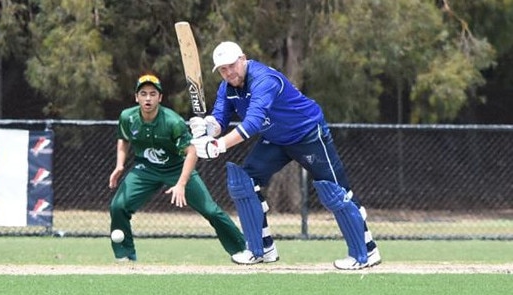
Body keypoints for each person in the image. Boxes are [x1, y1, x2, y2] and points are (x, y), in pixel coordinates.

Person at [189, 41, 382, 270]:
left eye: (232, 65)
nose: (229, 72)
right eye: (223, 69)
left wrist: (218, 145)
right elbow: (220, 118)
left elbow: (252, 124)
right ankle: (261, 249)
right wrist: (207, 127)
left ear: (243, 59)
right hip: (276, 139)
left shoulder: (263, 80)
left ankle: (366, 253)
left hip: (307, 133)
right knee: (243, 182)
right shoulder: (226, 88)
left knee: (336, 191)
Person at [108, 73, 246, 262]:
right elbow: (123, 139)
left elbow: (192, 152)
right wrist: (120, 165)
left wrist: (181, 184)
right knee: (118, 206)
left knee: (211, 211)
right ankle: (124, 255)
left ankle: (242, 249)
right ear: (136, 97)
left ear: (160, 98)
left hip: (177, 168)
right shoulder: (128, 117)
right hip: (145, 169)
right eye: (143, 93)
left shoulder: (173, 122)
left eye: (152, 94)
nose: (148, 98)